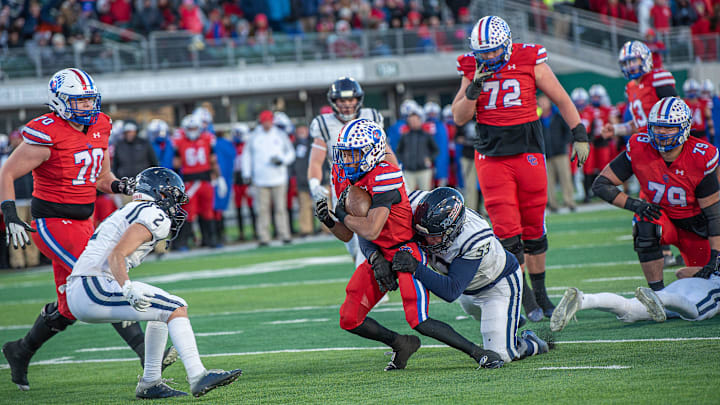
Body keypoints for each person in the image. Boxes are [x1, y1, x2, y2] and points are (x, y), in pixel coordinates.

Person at [0, 68, 173, 392]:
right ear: (59, 102)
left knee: (69, 306)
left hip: (85, 220)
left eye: (89, 99)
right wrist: (9, 211)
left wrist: (120, 185)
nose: (86, 106)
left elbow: (99, 177)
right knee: (101, 276)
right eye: (78, 101)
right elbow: (6, 172)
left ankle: (20, 350)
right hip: (52, 222)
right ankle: (147, 356)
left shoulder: (101, 125)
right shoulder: (46, 132)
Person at [315, 119, 504, 371]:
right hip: (378, 250)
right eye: (345, 153)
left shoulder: (386, 174)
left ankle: (479, 352)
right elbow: (348, 234)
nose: (346, 160)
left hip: (405, 249)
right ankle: (401, 343)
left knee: (419, 319)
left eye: (353, 154)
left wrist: (343, 215)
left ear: (372, 152)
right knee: (349, 318)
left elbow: (371, 227)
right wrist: (331, 222)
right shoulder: (342, 174)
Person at [451, 16, 590, 321]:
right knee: (506, 232)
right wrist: (473, 89)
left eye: (492, 51)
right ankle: (525, 298)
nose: (487, 57)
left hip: (528, 152)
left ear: (508, 44)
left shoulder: (529, 57)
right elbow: (459, 117)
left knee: (534, 230)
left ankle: (540, 293)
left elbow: (560, 97)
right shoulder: (472, 67)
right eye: (482, 52)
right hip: (492, 157)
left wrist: (579, 132)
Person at [65, 167, 242, 399]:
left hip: (87, 286)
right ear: (160, 193)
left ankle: (150, 382)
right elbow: (116, 255)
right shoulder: (152, 213)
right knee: (175, 307)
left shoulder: (132, 208)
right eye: (173, 197)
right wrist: (127, 288)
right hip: (94, 285)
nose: (175, 206)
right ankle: (198, 375)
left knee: (162, 310)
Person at [390, 188, 549, 363]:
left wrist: (416, 268)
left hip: (496, 286)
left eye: (434, 236)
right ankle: (509, 320)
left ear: (452, 229)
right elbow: (377, 219)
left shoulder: (473, 236)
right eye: (423, 234)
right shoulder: (415, 204)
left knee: (502, 355)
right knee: (482, 316)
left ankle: (531, 342)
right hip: (468, 290)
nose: (427, 240)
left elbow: (450, 291)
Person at [592, 97, 720, 292]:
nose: (661, 133)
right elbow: (601, 184)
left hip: (697, 226)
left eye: (669, 128)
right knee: (644, 222)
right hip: (665, 218)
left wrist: (716, 256)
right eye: (657, 127)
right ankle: (656, 294)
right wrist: (636, 205)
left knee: (706, 282)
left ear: (684, 128)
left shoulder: (701, 156)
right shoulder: (640, 146)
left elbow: (714, 215)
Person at [307, 77, 395, 267]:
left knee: (370, 234)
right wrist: (314, 183)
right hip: (342, 185)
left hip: (371, 182)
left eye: (350, 100)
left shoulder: (372, 116)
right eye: (342, 100)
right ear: (334, 101)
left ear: (358, 100)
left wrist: (397, 175)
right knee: (351, 242)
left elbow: (385, 150)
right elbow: (316, 159)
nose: (347, 105)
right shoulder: (323, 124)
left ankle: (373, 281)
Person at [550, 273, 720, 332]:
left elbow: (681, 272)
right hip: (711, 287)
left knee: (630, 310)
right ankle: (661, 300)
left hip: (683, 285)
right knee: (697, 312)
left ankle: (583, 300)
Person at [601, 41, 677, 142]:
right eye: (626, 63)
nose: (630, 66)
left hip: (665, 141)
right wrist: (616, 129)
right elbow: (639, 124)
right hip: (646, 142)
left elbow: (678, 113)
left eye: (633, 61)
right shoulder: (630, 87)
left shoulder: (657, 79)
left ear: (645, 59)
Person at [241, 110, 295, 246]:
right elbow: (246, 156)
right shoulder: (254, 136)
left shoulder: (280, 134)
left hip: (278, 178)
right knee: (262, 210)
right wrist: (246, 174)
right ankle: (263, 236)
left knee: (280, 208)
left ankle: (284, 234)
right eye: (264, 122)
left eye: (269, 121)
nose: (267, 124)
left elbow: (291, 153)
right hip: (260, 179)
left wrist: (282, 160)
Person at [172, 114, 222, 250]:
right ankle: (183, 242)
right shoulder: (180, 142)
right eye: (190, 128)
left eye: (195, 128)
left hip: (205, 181)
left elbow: (213, 160)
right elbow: (176, 164)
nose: (193, 130)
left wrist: (219, 177)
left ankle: (210, 240)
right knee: (188, 214)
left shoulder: (207, 140)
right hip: (189, 182)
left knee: (208, 212)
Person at [539, 94, 576, 212]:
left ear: (549, 103)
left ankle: (569, 201)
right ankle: (553, 204)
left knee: (565, 178)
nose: (543, 104)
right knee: (549, 181)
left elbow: (568, 131)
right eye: (541, 102)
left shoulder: (557, 116)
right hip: (546, 154)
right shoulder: (537, 119)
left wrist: (564, 143)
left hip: (560, 152)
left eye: (545, 102)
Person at [111, 120, 159, 206]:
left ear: (136, 132)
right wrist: (116, 184)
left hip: (143, 186)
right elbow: (115, 166)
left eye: (131, 132)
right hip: (126, 186)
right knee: (127, 211)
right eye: (127, 132)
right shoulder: (119, 145)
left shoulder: (144, 143)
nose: (129, 134)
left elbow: (154, 163)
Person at [395, 109, 439, 192]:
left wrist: (429, 159)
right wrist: (405, 160)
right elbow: (398, 151)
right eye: (411, 121)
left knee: (425, 194)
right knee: (408, 195)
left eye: (415, 120)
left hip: (424, 170)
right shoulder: (405, 136)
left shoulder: (426, 135)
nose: (413, 123)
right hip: (409, 171)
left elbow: (436, 150)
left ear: (420, 121)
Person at [231, 123, 257, 241]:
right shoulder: (232, 146)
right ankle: (241, 232)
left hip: (247, 179)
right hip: (236, 179)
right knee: (238, 207)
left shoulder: (249, 146)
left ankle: (256, 231)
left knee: (251, 207)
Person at [682, 78, 713, 143]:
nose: (692, 93)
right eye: (690, 91)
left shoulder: (703, 102)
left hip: (701, 133)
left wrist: (711, 130)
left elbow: (709, 117)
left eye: (694, 91)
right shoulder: (683, 102)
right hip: (688, 133)